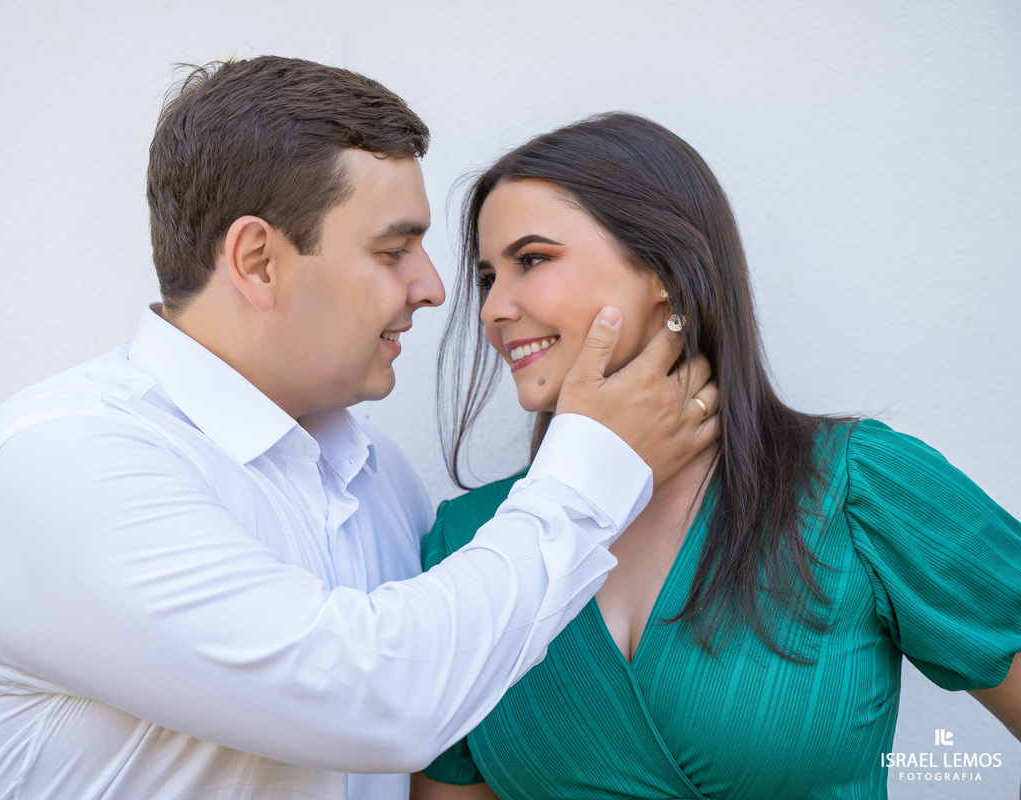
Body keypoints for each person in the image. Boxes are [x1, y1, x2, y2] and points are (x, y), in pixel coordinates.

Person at [0, 59, 717, 799]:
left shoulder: (378, 475)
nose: (437, 290)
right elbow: (384, 698)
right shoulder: (65, 459)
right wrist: (596, 463)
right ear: (259, 261)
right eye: (394, 250)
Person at [413, 112, 1021, 800]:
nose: (493, 307)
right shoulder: (468, 545)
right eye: (488, 276)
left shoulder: (859, 489)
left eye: (531, 261)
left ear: (666, 270)